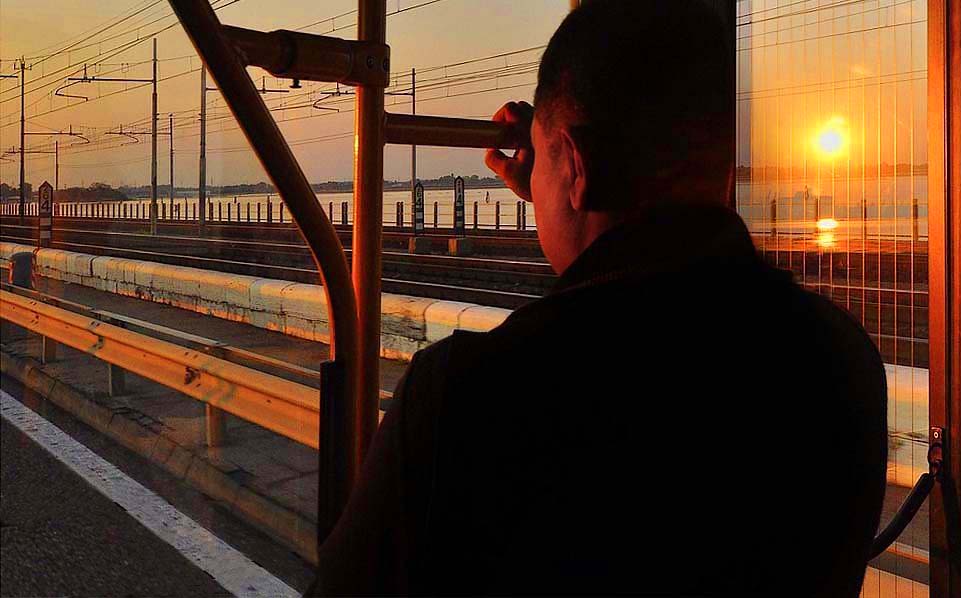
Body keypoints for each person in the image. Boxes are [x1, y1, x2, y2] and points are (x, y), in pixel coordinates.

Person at [309, 1, 887, 595]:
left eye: (544, 161)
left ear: (578, 166)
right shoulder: (841, 360)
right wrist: (569, 191)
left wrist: (570, 198)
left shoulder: (467, 395)